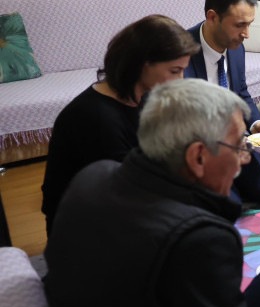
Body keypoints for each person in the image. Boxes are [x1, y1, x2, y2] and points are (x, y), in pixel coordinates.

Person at [44, 79, 260, 307]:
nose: (244, 159)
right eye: (239, 146)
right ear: (198, 156)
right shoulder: (199, 239)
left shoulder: (95, 174)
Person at [41, 14, 199, 236]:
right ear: (143, 65)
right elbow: (129, 195)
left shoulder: (143, 97)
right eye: (175, 71)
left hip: (124, 209)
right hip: (84, 231)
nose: (180, 79)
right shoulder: (93, 118)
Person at [184, 0, 260, 204]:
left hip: (235, 142)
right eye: (239, 25)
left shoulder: (236, 48)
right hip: (200, 146)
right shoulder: (182, 53)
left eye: (250, 24)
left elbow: (241, 93)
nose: (247, 34)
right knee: (228, 204)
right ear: (212, 17)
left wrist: (256, 123)